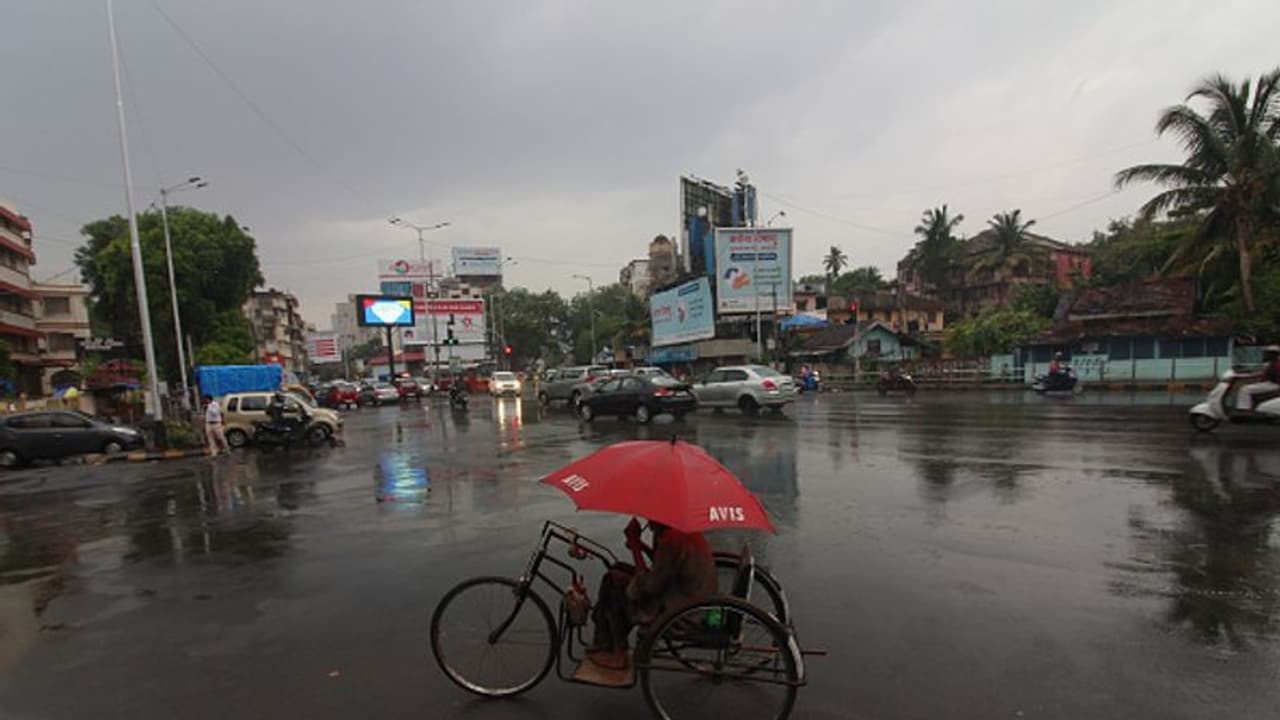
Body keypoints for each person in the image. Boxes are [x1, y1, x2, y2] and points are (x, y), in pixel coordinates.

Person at [589, 517, 717, 669]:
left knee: (613, 581)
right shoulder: (679, 530)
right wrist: (642, 547)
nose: (647, 522)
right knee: (619, 568)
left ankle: (618, 654)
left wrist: (636, 547)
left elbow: (648, 588)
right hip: (687, 595)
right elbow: (664, 565)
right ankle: (605, 643)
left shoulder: (672, 539)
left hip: (682, 610)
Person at [1237, 345, 1280, 411]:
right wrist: (1248, 374)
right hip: (1271, 383)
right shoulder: (1272, 363)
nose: (1266, 355)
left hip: (1274, 384)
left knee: (1245, 389)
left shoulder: (1276, 364)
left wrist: (1248, 375)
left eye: (1268, 353)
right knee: (1250, 388)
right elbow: (1262, 373)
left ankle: (1244, 410)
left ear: (1273, 354)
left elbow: (1265, 374)